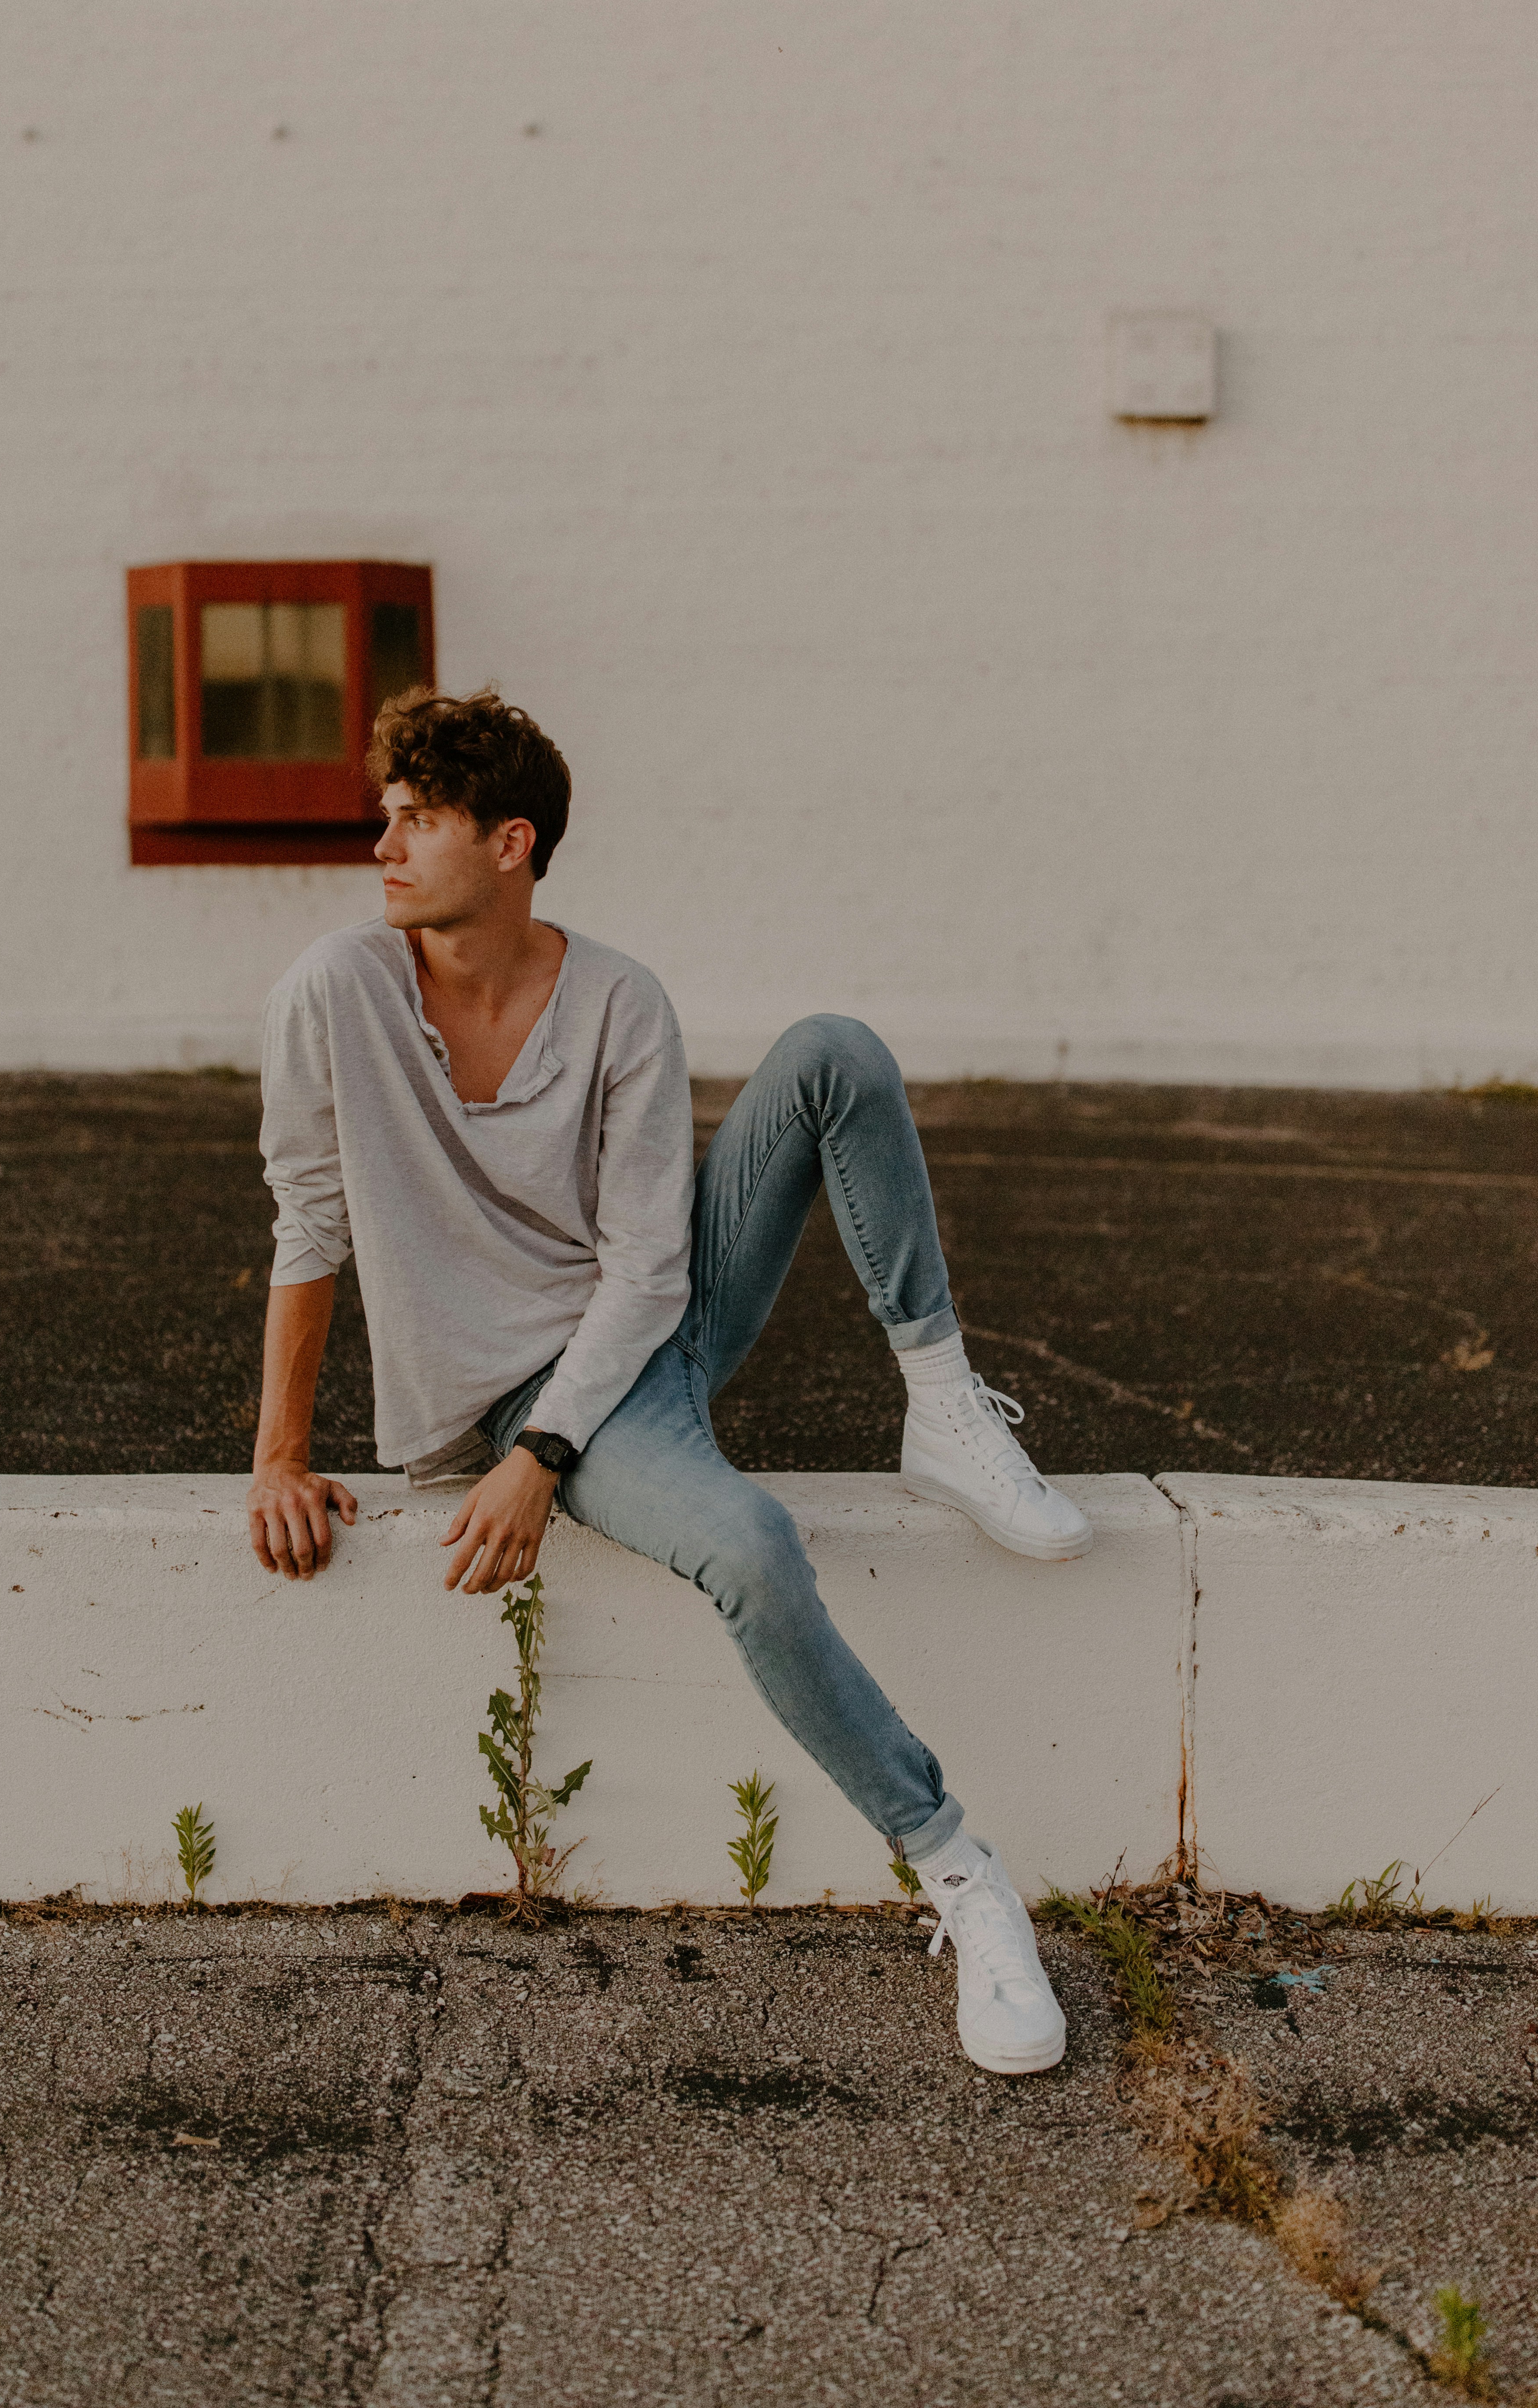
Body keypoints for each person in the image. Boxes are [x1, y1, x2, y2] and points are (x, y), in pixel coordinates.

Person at [250, 689, 1093, 2075]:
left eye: (420, 820)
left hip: (631, 1344)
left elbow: (649, 1271)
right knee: (752, 1545)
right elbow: (307, 1214)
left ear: (512, 843)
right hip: (522, 1394)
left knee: (833, 1051)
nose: (384, 845)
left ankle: (942, 1405)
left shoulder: (619, 999)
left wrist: (549, 1452)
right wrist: (282, 1454)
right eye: (384, 816)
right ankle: (957, 1862)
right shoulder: (335, 991)